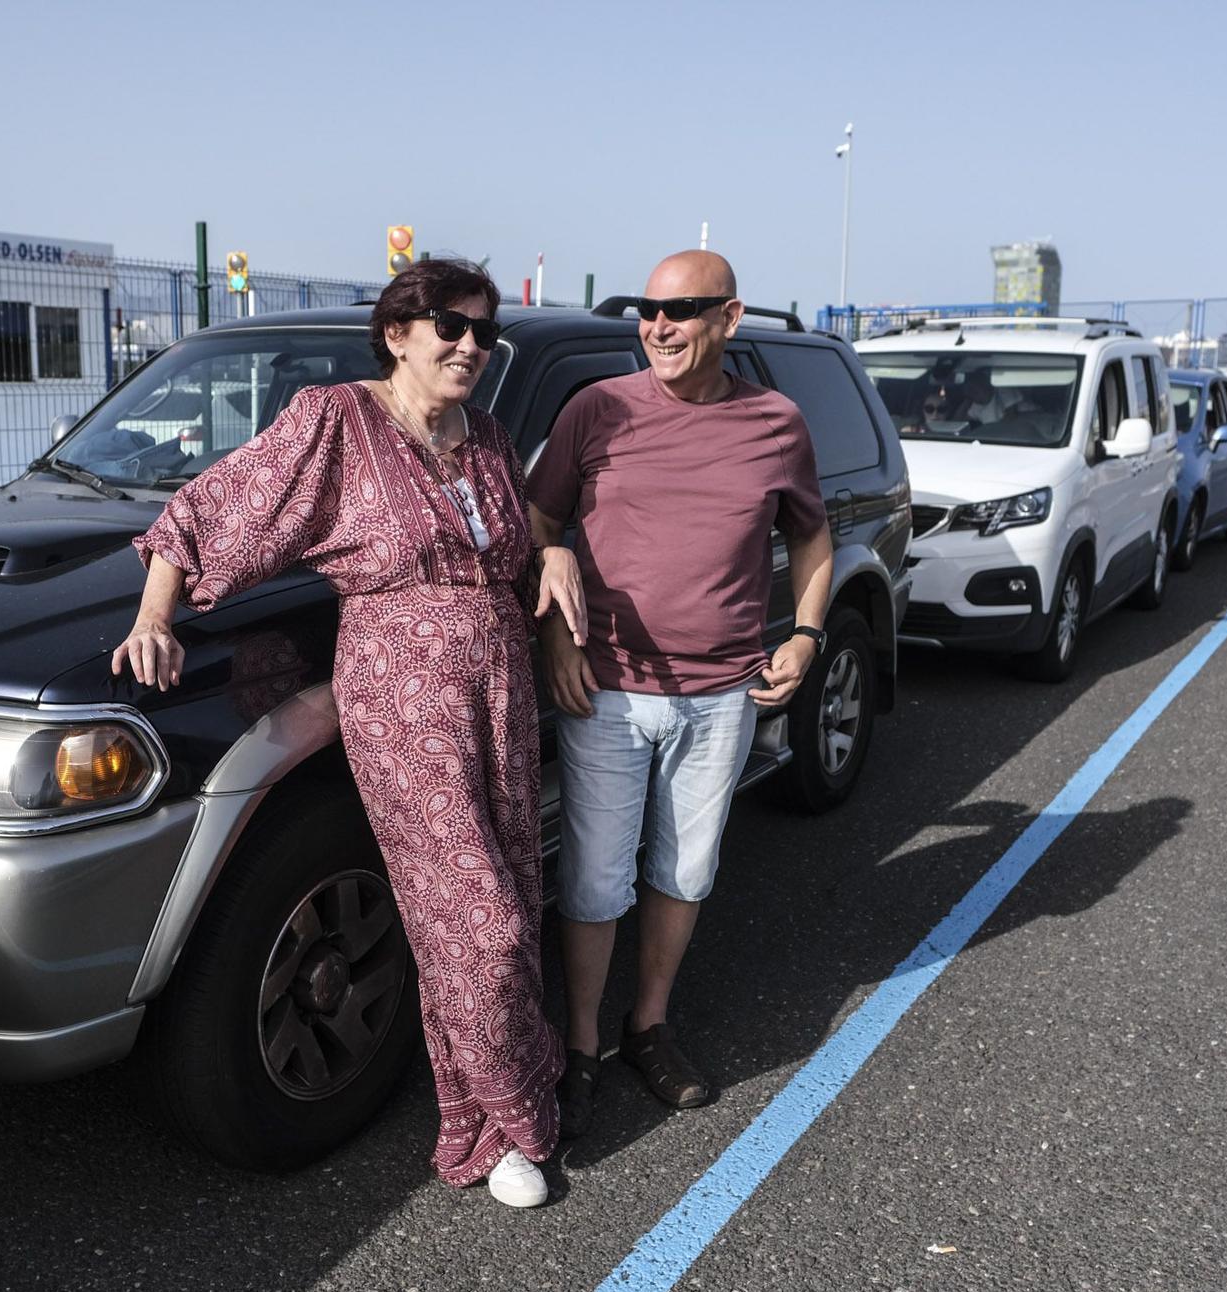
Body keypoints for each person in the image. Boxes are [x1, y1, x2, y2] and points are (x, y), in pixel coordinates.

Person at [115, 259, 586, 1208]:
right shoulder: (337, 420)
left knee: (508, 891)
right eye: (450, 326)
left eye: (484, 333)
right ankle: (512, 1114)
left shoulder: (490, 438)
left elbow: (526, 534)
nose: (470, 346)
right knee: (478, 924)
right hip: (402, 697)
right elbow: (217, 504)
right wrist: (154, 615)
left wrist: (558, 551)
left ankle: (490, 1118)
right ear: (399, 331)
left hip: (498, 687)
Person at [525, 249, 835, 1138]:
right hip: (608, 690)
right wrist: (555, 629)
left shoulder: (777, 423)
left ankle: (647, 1026)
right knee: (592, 876)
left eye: (683, 310)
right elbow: (541, 522)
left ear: (729, 319)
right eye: (649, 313)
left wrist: (807, 636)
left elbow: (813, 540)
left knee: (686, 871)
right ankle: (579, 1043)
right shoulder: (597, 410)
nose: (658, 327)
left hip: (724, 693)